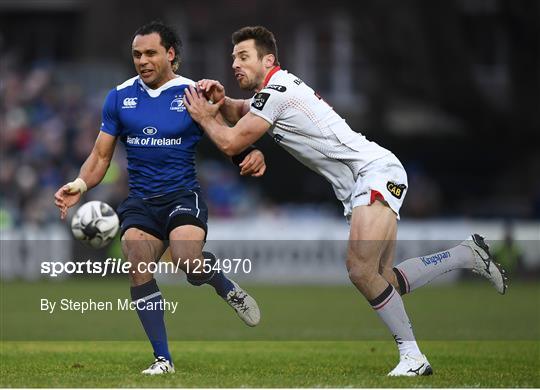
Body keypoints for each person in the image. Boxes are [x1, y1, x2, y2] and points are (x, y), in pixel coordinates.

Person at [182, 25, 508, 377]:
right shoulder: (274, 91)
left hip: (374, 171)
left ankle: (413, 358)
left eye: (244, 57)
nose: (235, 64)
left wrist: (204, 116)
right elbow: (238, 111)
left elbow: (231, 142)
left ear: (269, 59)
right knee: (384, 280)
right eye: (233, 58)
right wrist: (220, 101)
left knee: (359, 269)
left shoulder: (275, 93)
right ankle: (465, 254)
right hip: (371, 176)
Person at [54, 21, 264, 375]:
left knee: (186, 261)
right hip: (141, 201)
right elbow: (101, 156)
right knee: (136, 262)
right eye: (137, 54)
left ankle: (225, 286)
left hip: (182, 195)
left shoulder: (193, 93)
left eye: (150, 53)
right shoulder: (119, 97)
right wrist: (79, 183)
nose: (143, 60)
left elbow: (225, 134)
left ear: (170, 54)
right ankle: (163, 359)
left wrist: (249, 155)